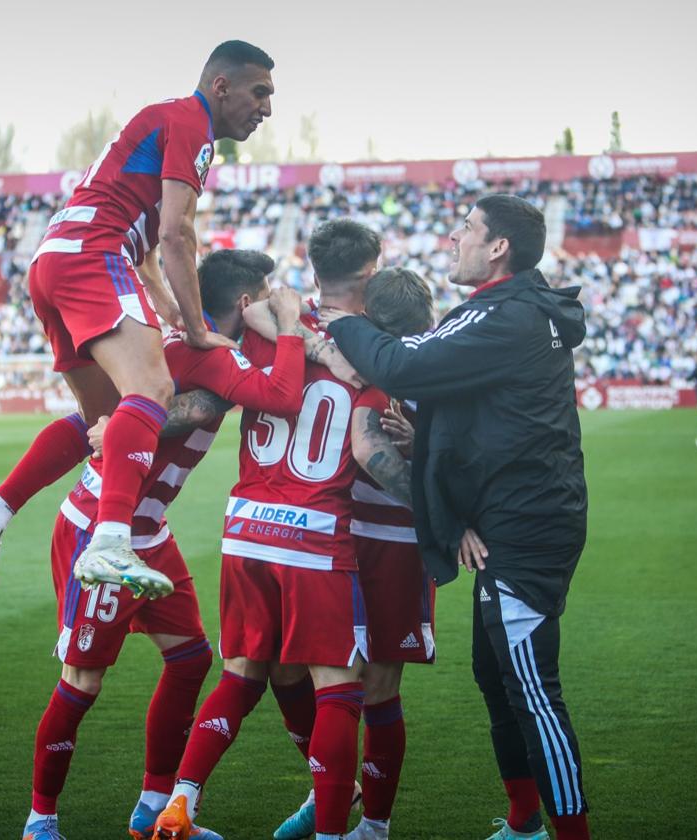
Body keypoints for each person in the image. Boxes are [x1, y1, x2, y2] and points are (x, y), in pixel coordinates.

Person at [0, 39, 276, 598]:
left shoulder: (163, 121)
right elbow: (176, 233)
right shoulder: (191, 125)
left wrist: (172, 314)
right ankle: (110, 542)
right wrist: (197, 330)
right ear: (221, 86)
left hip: (54, 260)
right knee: (152, 389)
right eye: (260, 92)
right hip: (93, 255)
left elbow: (148, 251)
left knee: (103, 425)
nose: (266, 109)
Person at [322, 195, 591, 840]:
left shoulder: (508, 317)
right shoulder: (508, 311)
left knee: (532, 691)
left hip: (528, 526)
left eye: (466, 229)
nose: (452, 237)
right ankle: (525, 823)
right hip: (510, 518)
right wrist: (432, 457)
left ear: (498, 247)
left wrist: (342, 321)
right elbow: (486, 420)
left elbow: (405, 364)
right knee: (496, 679)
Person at [22, 250, 306, 840]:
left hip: (149, 528)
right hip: (102, 524)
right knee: (83, 680)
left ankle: (153, 809)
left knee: (190, 657)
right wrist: (294, 329)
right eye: (267, 294)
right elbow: (278, 395)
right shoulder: (206, 354)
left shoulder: (188, 345)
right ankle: (40, 819)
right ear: (247, 304)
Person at [153, 220, 413, 840]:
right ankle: (333, 833)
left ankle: (178, 806)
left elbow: (254, 323)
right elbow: (371, 449)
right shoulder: (377, 352)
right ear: (371, 273)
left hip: (245, 527)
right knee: (339, 686)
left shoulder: (265, 323)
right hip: (318, 533)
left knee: (240, 670)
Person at [243, 268, 437, 840]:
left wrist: (435, 494)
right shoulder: (342, 339)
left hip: (397, 542)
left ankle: (372, 827)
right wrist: (314, 338)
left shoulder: (434, 363)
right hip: (337, 532)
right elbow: (256, 310)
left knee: (376, 687)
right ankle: (329, 785)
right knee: (290, 667)